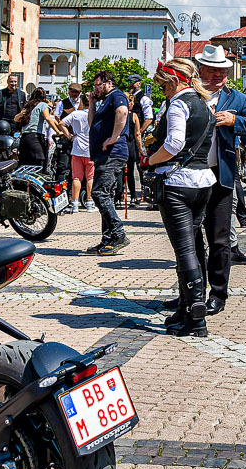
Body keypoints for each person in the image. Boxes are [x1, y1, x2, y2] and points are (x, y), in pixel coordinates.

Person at [145, 57, 219, 335]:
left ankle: (196, 318)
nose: (163, 91)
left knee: (185, 250)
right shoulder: (204, 105)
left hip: (177, 183)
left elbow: (174, 143)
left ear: (175, 81)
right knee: (194, 247)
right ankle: (186, 308)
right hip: (202, 181)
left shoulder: (178, 104)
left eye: (164, 86)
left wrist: (152, 159)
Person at [196, 46, 246, 307]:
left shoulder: (237, 99)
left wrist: (234, 120)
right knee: (189, 240)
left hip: (220, 175)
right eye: (213, 70)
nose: (218, 76)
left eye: (222, 71)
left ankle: (217, 295)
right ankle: (191, 294)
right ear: (201, 69)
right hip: (190, 176)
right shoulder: (189, 94)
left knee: (219, 239)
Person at [86, 70, 132, 254]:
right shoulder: (104, 101)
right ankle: (108, 239)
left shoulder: (117, 96)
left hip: (112, 154)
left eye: (97, 85)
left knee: (99, 193)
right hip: (103, 155)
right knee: (106, 195)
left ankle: (118, 234)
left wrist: (113, 138)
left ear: (108, 83)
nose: (95, 89)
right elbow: (92, 124)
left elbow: (123, 112)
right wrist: (91, 103)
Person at [125, 73, 154, 206]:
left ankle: (144, 192)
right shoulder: (128, 97)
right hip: (130, 137)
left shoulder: (144, 99)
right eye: (129, 82)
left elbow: (148, 118)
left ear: (139, 83)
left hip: (139, 136)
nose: (130, 84)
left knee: (141, 165)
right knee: (131, 166)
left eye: (132, 82)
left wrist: (139, 132)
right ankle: (132, 194)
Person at [64, 94, 93, 210]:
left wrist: (69, 136)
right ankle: (90, 203)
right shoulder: (94, 115)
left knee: (76, 177)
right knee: (90, 177)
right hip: (90, 148)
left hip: (77, 147)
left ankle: (75, 203)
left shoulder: (75, 114)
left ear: (82, 102)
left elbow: (61, 123)